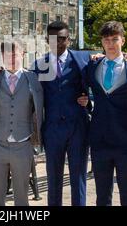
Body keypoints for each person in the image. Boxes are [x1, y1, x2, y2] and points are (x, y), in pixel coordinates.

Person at [81, 21, 127, 206]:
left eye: (114, 39)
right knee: (102, 195)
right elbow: (78, 88)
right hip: (99, 140)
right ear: (102, 43)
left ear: (123, 41)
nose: (110, 43)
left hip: (126, 141)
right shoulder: (92, 67)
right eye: (106, 40)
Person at [32, 21, 90, 206]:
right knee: (53, 180)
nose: (58, 42)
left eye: (62, 38)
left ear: (69, 39)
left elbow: (101, 76)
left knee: (78, 178)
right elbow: (22, 83)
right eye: (53, 38)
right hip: (52, 130)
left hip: (78, 129)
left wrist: (90, 100)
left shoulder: (83, 59)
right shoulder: (39, 65)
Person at [0, 38, 43, 206]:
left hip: (23, 145)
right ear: (2, 55)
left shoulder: (34, 79)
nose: (12, 57)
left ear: (23, 54)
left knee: (22, 198)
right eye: (7, 53)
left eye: (15, 53)